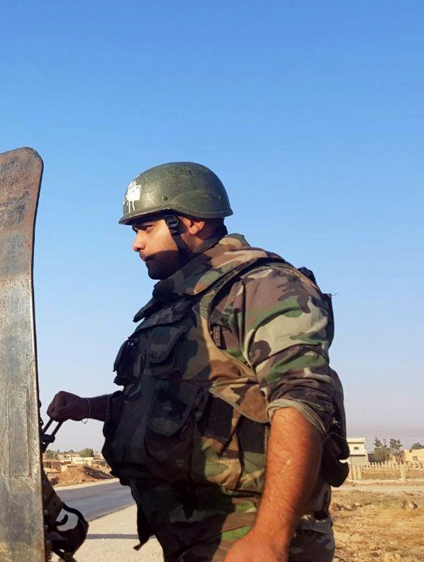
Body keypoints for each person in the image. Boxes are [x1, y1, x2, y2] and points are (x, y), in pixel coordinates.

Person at [48, 162, 347, 562]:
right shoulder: (177, 304)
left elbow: (302, 400)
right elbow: (162, 406)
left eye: (145, 229)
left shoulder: (262, 286)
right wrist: (87, 408)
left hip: (251, 531)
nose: (136, 244)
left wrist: (270, 536)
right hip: (197, 533)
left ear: (190, 223)